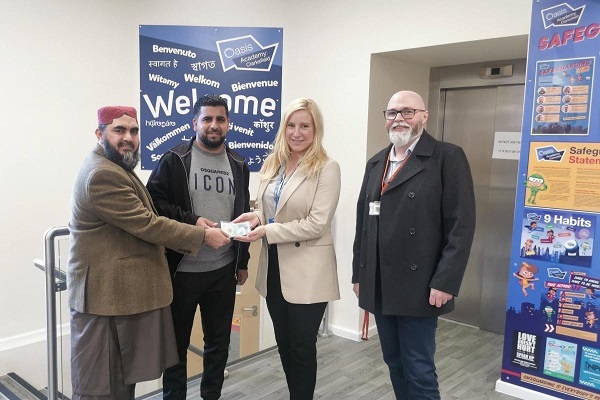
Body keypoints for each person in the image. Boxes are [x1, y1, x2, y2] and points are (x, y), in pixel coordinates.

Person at [68, 106, 230, 400]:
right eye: (119, 130)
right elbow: (147, 223)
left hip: (116, 300)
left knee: (119, 384)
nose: (128, 138)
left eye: (133, 131)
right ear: (99, 134)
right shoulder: (102, 174)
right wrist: (202, 235)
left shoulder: (115, 166)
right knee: (101, 388)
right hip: (103, 300)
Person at [351, 90, 476, 400]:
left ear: (424, 116)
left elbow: (461, 226)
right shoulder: (376, 162)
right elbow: (363, 225)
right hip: (380, 282)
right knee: (394, 362)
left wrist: (446, 281)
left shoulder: (447, 157)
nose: (399, 118)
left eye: (408, 112)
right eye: (392, 113)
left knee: (419, 369)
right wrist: (359, 274)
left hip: (420, 284)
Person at [233, 98, 341, 400]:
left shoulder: (327, 168)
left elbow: (316, 224)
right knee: (284, 344)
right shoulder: (274, 163)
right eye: (291, 125)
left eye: (305, 126)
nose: (296, 132)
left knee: (302, 347)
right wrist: (256, 217)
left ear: (316, 129)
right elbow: (269, 209)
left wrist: (267, 230)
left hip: (309, 272)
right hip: (274, 270)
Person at [146, 94, 251, 400]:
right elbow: (154, 204)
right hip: (181, 271)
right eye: (207, 119)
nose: (213, 125)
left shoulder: (239, 163)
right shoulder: (174, 159)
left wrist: (242, 261)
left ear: (228, 124)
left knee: (218, 345)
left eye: (220, 119)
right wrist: (193, 222)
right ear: (195, 123)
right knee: (175, 347)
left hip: (223, 271)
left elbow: (242, 213)